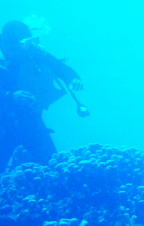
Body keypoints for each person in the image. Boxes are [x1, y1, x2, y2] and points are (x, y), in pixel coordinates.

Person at [0, 20, 84, 171]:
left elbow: (60, 67)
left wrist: (73, 78)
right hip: (4, 122)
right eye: (24, 41)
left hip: (30, 118)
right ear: (11, 42)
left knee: (52, 167)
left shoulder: (34, 52)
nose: (29, 44)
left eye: (30, 40)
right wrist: (10, 96)